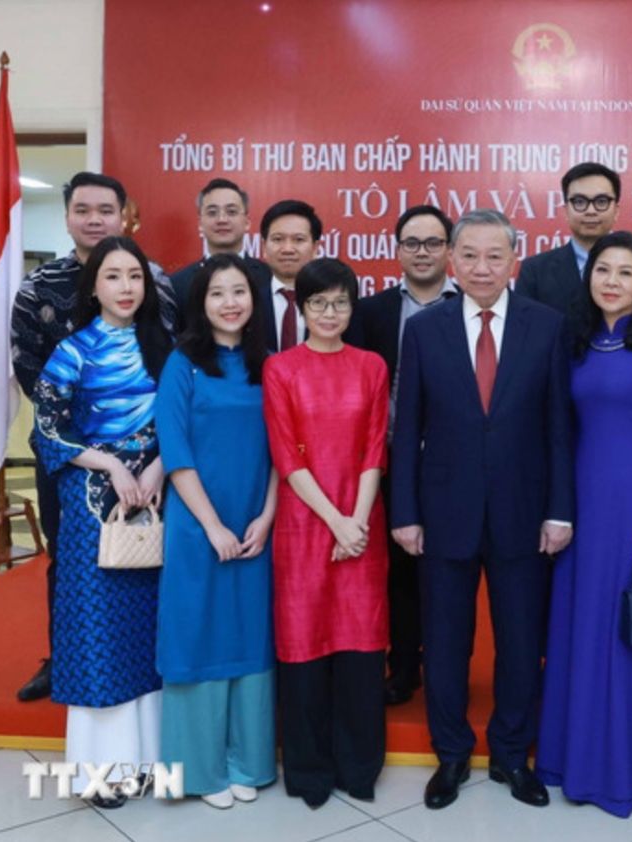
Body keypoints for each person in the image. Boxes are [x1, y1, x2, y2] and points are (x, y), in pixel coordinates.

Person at [391, 208, 574, 810]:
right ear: (452, 261)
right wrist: (405, 512)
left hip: (525, 512)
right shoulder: (424, 330)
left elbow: (558, 429)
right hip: (444, 512)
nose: (481, 267)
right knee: (445, 643)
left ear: (514, 260)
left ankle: (509, 754)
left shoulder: (547, 326)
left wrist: (559, 510)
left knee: (521, 642)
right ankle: (450, 755)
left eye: (495, 256)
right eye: (469, 255)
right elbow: (408, 427)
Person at [10, 171, 176, 703]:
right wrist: (99, 454)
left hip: (156, 471)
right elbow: (33, 376)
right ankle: (65, 660)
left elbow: (175, 380)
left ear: (123, 214)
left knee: (151, 587)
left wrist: (155, 460)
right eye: (82, 209)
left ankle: (151, 721)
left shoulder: (160, 282)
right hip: (79, 469)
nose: (94, 218)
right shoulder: (40, 288)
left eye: (105, 208)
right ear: (68, 217)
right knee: (79, 578)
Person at [535, 231, 632, 817]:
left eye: (626, 272)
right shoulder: (573, 345)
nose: (613, 281)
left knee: (631, 638)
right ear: (588, 278)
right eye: (603, 270)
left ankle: (624, 770)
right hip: (581, 513)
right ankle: (570, 761)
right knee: (579, 631)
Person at [31, 236, 174, 807]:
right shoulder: (72, 352)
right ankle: (102, 773)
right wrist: (113, 463)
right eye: (112, 277)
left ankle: (150, 764)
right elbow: (47, 432)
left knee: (153, 635)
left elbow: (185, 420)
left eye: (135, 276)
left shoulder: (168, 349)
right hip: (95, 510)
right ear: (93, 286)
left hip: (162, 501)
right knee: (101, 637)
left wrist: (161, 466)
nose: (125, 288)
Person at [262, 258, 390, 808]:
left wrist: (355, 521)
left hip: (362, 524)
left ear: (351, 306)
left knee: (360, 647)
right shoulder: (280, 369)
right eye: (319, 303)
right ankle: (309, 770)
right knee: (304, 647)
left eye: (340, 302)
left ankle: (360, 766)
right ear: (301, 307)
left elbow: (373, 447)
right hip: (303, 526)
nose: (330, 313)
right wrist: (336, 521)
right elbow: (286, 455)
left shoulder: (371, 366)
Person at [154, 254, 278, 809]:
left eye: (240, 292)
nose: (230, 302)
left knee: (250, 637)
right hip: (197, 525)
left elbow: (286, 451)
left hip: (256, 525)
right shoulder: (182, 363)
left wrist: (266, 516)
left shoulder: (269, 365)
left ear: (254, 302)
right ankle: (200, 771)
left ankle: (247, 762)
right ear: (200, 305)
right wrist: (212, 527)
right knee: (199, 637)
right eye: (217, 294)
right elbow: (175, 452)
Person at [346, 205, 459, 706]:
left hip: (455, 465)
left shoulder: (471, 309)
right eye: (411, 243)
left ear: (450, 251)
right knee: (398, 570)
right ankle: (404, 665)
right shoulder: (371, 313)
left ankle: (444, 665)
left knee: (447, 570)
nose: (422, 252)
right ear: (396, 251)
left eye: (433, 243)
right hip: (390, 460)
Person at [168, 178, 272, 334]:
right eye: (212, 213)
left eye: (231, 212)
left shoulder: (269, 277)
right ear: (200, 223)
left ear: (247, 222)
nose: (222, 220)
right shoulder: (177, 284)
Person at [515, 162, 620, 314]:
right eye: (579, 202)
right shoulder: (535, 272)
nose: (590, 211)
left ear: (616, 210)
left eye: (601, 202)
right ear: (565, 211)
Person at [261, 199, 323, 351]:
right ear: (264, 247)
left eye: (298, 240)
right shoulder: (248, 301)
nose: (288, 248)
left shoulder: (331, 305)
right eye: (278, 239)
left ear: (315, 248)